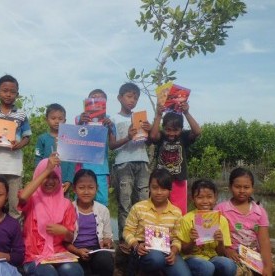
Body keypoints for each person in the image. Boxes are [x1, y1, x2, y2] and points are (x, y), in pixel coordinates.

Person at [216, 167, 275, 276]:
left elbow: (264, 241)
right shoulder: (221, 209)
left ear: (252, 189)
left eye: (246, 187)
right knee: (240, 273)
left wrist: (267, 267)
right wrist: (227, 250)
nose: (242, 191)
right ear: (230, 187)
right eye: (237, 187)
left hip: (254, 254)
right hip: (234, 255)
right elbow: (215, 238)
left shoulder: (259, 211)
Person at [18, 155, 84, 276]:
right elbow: (22, 197)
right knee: (49, 273)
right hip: (34, 256)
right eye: (46, 177)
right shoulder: (32, 200)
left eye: (55, 177)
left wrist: (64, 231)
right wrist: (47, 169)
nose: (50, 181)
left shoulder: (66, 204)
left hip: (59, 254)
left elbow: (69, 238)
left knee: (74, 271)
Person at [123, 168, 191, 276]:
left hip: (167, 251)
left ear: (170, 190)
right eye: (155, 188)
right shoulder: (138, 207)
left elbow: (176, 238)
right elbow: (127, 231)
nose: (159, 192)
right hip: (144, 250)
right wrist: (136, 245)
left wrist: (173, 252)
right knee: (156, 259)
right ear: (149, 187)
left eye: (163, 189)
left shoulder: (176, 212)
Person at [0, 74, 32, 220]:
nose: (8, 94)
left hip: (14, 167)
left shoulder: (21, 115)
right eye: (5, 90)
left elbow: (27, 137)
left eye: (12, 91)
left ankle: (14, 240)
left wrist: (19, 145)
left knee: (14, 206)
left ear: (17, 94)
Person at [108, 82, 151, 245]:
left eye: (136, 97)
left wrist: (149, 128)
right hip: (123, 163)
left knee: (143, 203)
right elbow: (111, 146)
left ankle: (143, 241)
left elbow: (150, 140)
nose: (132, 100)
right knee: (124, 203)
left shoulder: (141, 117)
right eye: (129, 96)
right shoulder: (113, 119)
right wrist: (127, 137)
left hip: (143, 162)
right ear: (120, 98)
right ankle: (125, 242)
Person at [150, 101, 201, 215]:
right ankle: (159, 231)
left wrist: (186, 112)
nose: (171, 133)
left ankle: (178, 232)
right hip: (160, 181)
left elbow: (197, 131)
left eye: (175, 130)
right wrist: (158, 115)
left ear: (181, 129)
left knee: (179, 211)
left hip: (179, 180)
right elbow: (153, 136)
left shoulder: (184, 137)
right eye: (168, 129)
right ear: (163, 128)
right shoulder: (161, 137)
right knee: (158, 210)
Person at [178, 179, 236, 276]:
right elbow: (184, 251)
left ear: (215, 197)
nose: (205, 201)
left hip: (213, 257)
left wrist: (221, 241)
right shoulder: (186, 219)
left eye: (209, 197)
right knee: (206, 267)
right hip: (192, 258)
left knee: (229, 265)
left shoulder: (222, 220)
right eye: (200, 197)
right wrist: (192, 241)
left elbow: (221, 254)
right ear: (193, 198)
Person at [65, 169, 114, 276]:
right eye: (81, 188)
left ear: (97, 188)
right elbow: (64, 241)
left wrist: (107, 241)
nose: (86, 192)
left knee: (105, 261)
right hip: (74, 252)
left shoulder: (103, 210)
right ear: (74, 189)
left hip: (96, 251)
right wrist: (77, 251)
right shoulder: (68, 209)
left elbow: (108, 236)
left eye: (91, 188)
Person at [75, 89, 112, 206]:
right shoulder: (79, 118)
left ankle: (101, 224)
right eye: (93, 98)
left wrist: (109, 127)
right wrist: (81, 122)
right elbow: (73, 140)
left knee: (102, 201)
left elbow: (112, 143)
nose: (96, 101)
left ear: (105, 103)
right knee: (81, 200)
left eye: (100, 99)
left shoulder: (109, 120)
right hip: (83, 166)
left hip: (102, 167)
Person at [35, 103, 75, 193]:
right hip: (45, 180)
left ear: (65, 120)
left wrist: (69, 180)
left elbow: (72, 162)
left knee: (62, 205)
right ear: (47, 120)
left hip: (63, 182)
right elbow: (38, 160)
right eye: (53, 118)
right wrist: (39, 178)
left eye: (60, 119)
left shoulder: (69, 139)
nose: (57, 121)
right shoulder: (42, 139)